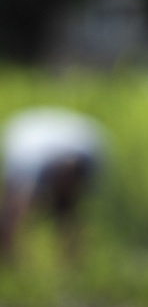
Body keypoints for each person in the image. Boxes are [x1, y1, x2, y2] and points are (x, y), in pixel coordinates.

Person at [0, 106, 107, 261]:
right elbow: (18, 204)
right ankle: (8, 259)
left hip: (74, 139)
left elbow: (80, 205)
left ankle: (72, 266)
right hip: (26, 138)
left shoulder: (92, 159)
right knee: (13, 211)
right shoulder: (28, 161)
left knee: (68, 214)